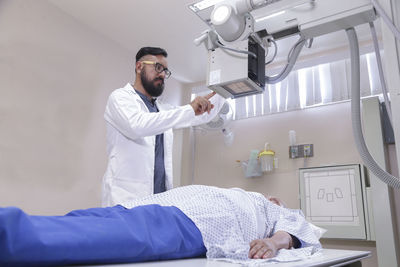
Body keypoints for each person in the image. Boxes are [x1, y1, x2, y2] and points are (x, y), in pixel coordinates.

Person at [0, 185, 322, 266]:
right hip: (173, 202)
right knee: (84, 223)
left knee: (91, 238)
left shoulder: (275, 210)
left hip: (197, 222)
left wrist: (274, 243)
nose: (273, 198)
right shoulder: (242, 193)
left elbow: (290, 232)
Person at [102, 47, 225, 207]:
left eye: (165, 71)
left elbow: (202, 115)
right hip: (125, 199)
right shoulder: (120, 98)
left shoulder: (163, 109)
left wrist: (227, 88)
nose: (162, 74)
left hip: (159, 199)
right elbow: (137, 125)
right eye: (158, 67)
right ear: (139, 67)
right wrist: (189, 109)